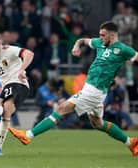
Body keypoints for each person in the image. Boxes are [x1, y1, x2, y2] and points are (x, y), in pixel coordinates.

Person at [8, 21, 138, 156]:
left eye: (103, 35)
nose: (100, 38)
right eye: (99, 35)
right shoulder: (99, 43)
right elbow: (83, 40)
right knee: (98, 124)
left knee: (61, 108)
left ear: (112, 35)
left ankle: (28, 135)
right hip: (94, 90)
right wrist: (76, 45)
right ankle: (131, 142)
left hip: (94, 91)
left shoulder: (123, 49)